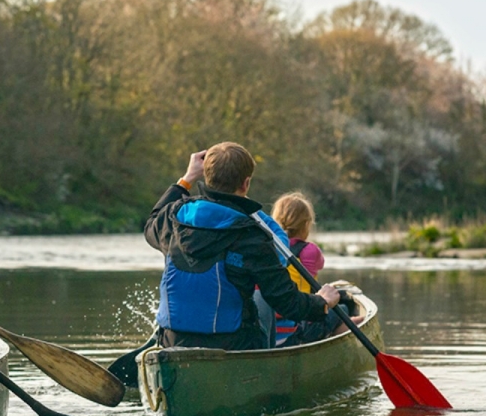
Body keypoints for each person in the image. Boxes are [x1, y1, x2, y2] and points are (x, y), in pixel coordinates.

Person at [144, 142, 342, 351]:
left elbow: (151, 225)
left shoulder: (174, 218)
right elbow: (287, 303)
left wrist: (186, 180)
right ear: (246, 184)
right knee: (262, 301)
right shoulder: (252, 237)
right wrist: (322, 302)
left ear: (205, 176)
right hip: (234, 346)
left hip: (173, 342)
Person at [269, 192, 325, 346]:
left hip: (271, 323)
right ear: (307, 224)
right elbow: (320, 264)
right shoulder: (310, 250)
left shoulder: (267, 248)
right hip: (302, 320)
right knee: (342, 310)